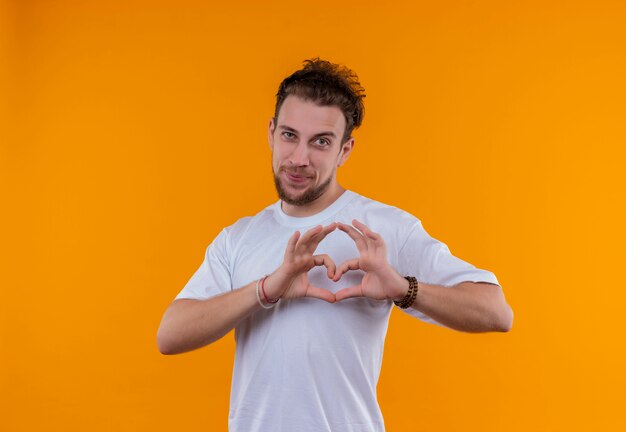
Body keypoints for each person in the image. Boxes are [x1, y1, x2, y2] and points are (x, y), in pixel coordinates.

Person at [157, 58, 513, 432]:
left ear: (345, 150)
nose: (298, 159)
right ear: (271, 132)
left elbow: (496, 313)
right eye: (289, 135)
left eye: (321, 142)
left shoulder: (383, 229)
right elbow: (170, 335)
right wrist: (266, 290)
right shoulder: (239, 237)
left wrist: (401, 289)